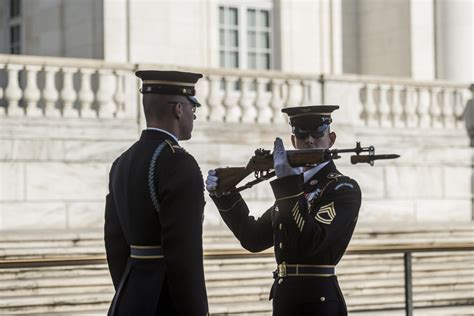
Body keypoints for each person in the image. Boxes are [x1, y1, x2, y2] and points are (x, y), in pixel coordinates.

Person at [206, 105, 362, 316]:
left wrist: (288, 183)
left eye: (317, 134)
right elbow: (252, 238)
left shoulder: (342, 188)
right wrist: (225, 194)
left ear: (331, 139)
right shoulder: (296, 189)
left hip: (318, 304)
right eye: (302, 134)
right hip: (285, 301)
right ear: (293, 141)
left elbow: (311, 242)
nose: (309, 140)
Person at [104, 70, 209, 315]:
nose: (194, 115)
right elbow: (185, 253)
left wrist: (129, 290)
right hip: (166, 302)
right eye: (192, 108)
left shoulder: (122, 162)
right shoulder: (179, 163)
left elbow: (115, 242)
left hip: (129, 299)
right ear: (178, 110)